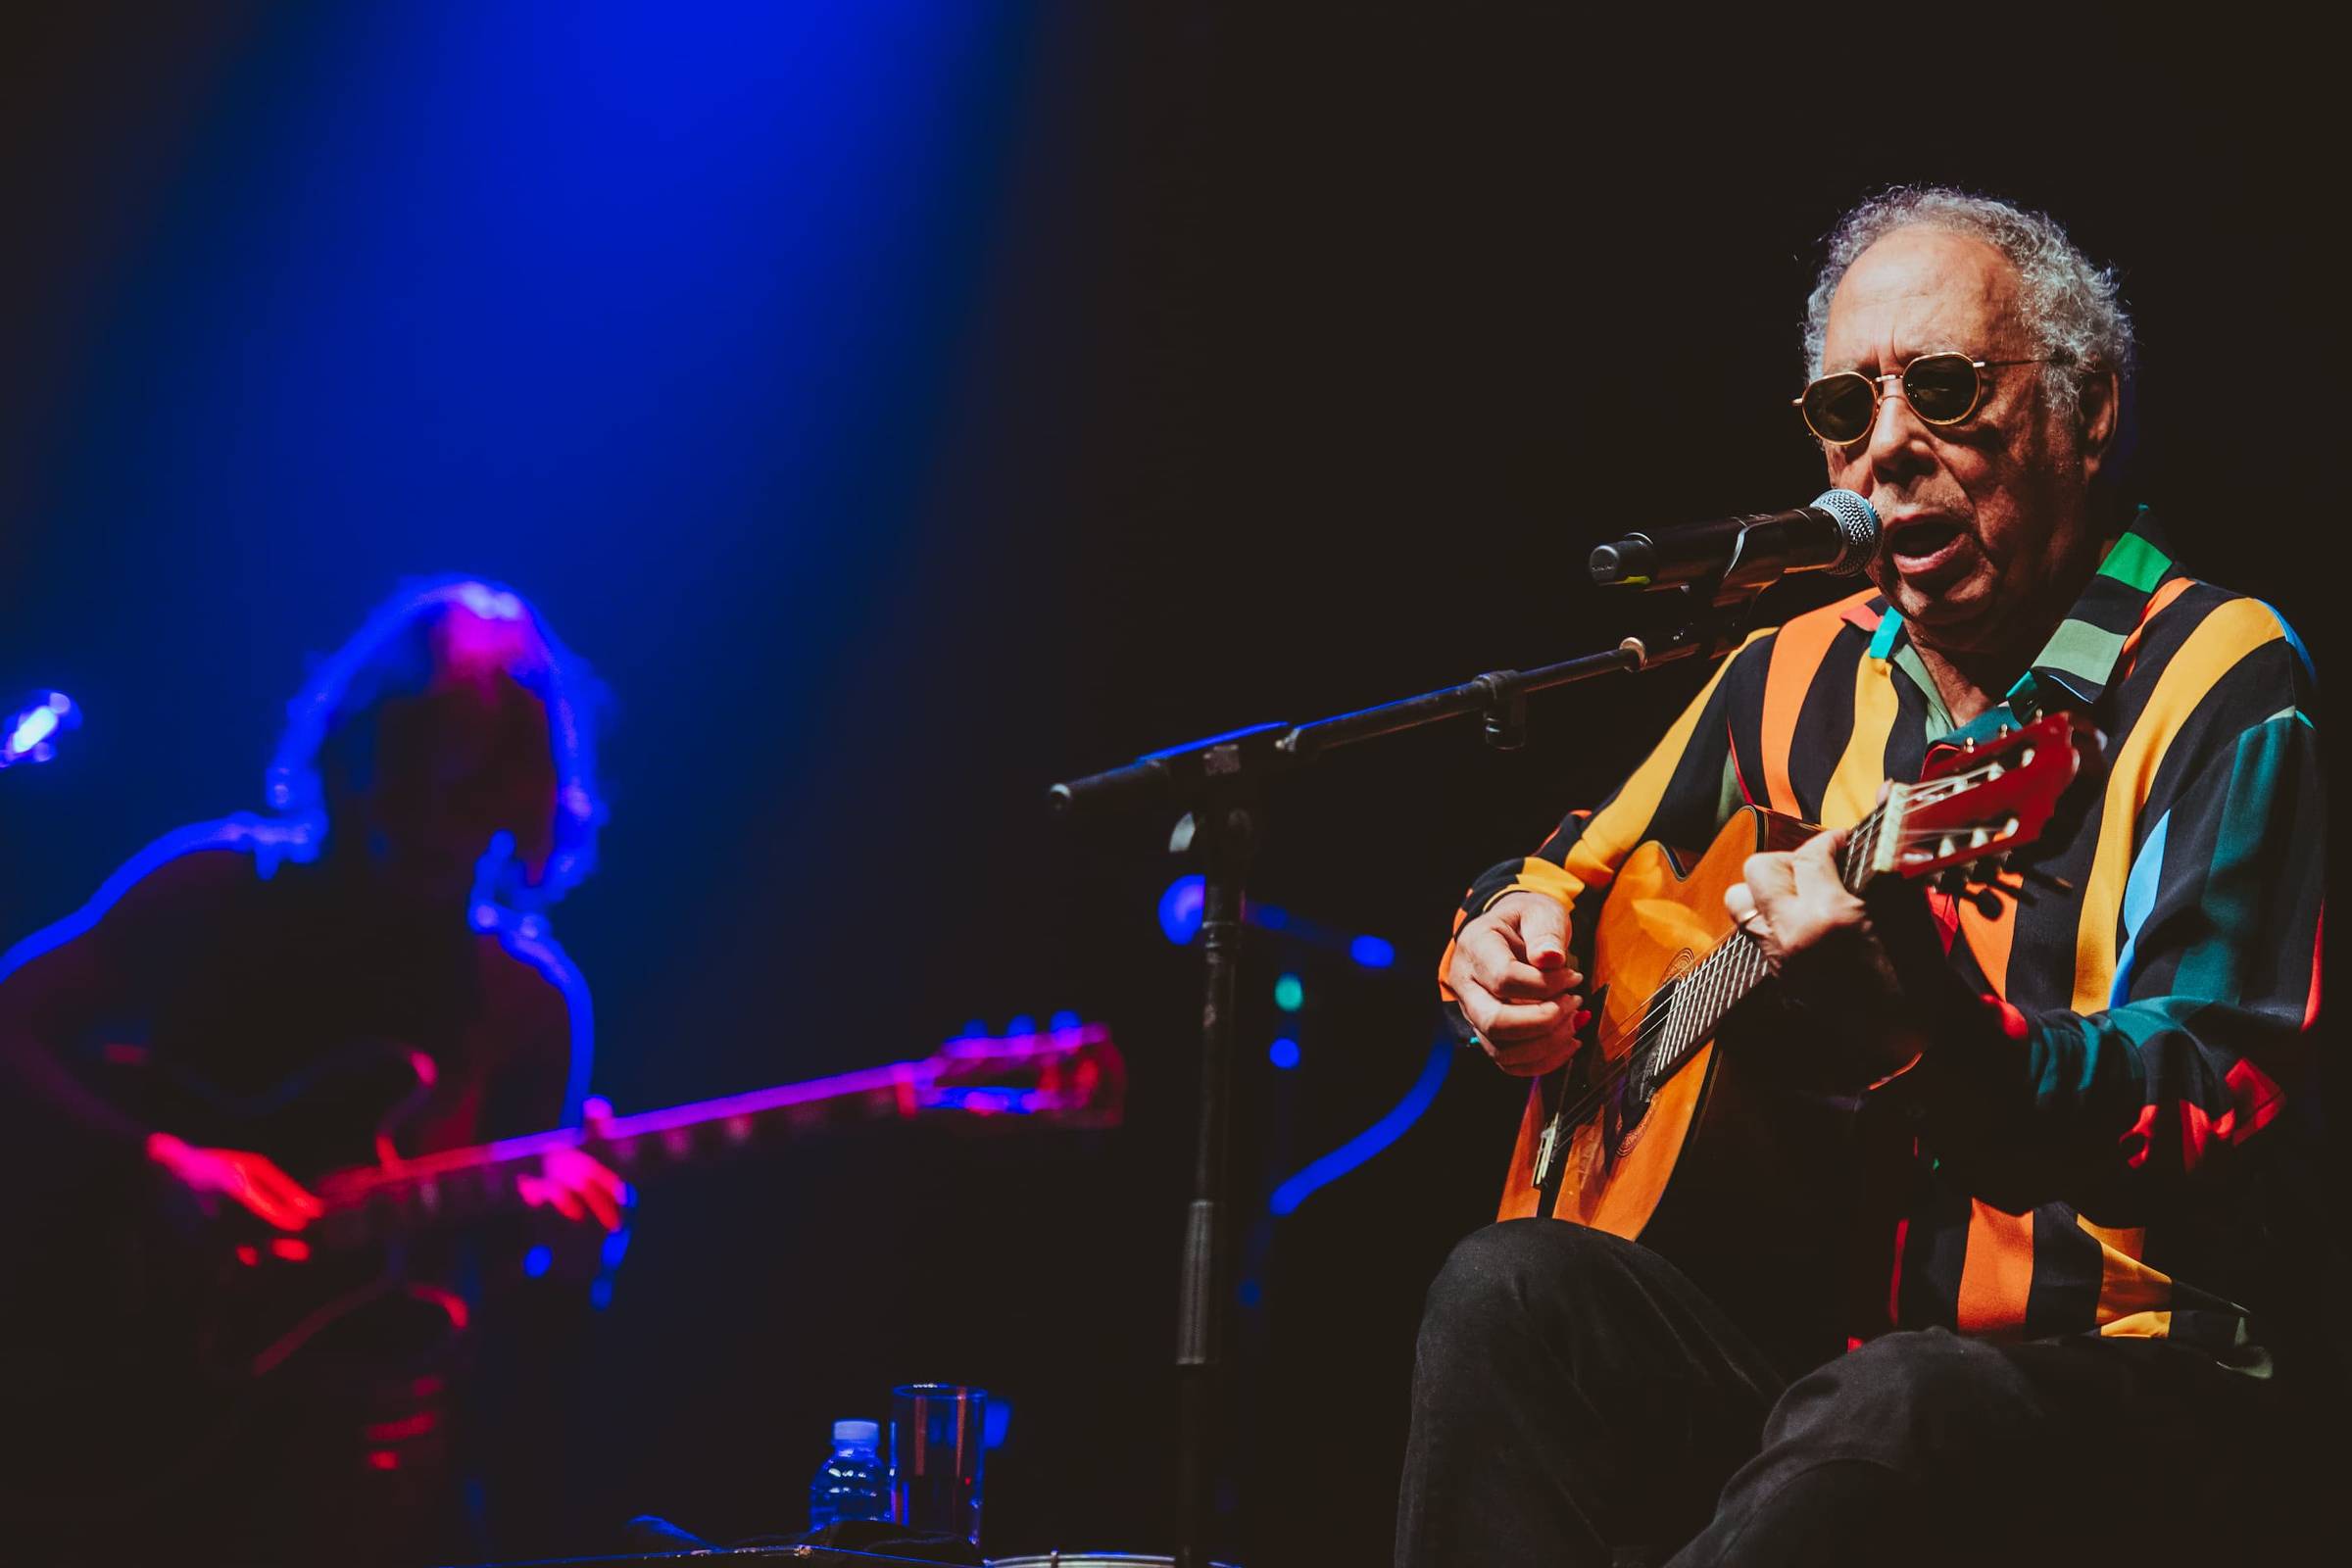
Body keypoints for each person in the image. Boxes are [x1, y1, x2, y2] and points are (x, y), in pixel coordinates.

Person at [1396, 188, 2328, 1565]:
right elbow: (1570, 861)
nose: (1888, 449)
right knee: (1507, 1289)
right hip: (1819, 1371)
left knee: (1890, 1405)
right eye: (1848, 409)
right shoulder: (1789, 666)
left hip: (2128, 1379)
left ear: (2090, 411)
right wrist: (1504, 933)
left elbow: (2208, 1090)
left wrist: (1933, 1042)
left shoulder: (2217, 674)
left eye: (1944, 390)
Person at [0, 577, 624, 1565]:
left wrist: (574, 1258)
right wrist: (149, 1162)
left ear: (523, 795)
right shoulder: (212, 890)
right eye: (414, 770)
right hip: (100, 1428)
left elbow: (510, 1328)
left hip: (339, 1480)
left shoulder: (526, 1004)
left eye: (473, 788)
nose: (433, 819)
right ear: (355, 751)